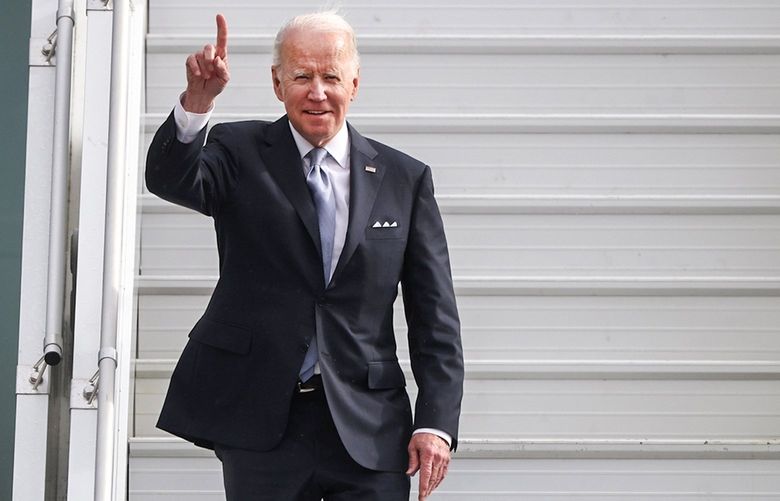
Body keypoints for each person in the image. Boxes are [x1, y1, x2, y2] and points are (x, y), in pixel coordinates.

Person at [145, 11, 463, 501]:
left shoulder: (405, 180)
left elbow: (435, 319)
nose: (317, 91)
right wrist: (197, 103)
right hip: (261, 420)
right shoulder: (239, 150)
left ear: (354, 83)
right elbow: (170, 179)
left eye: (331, 76)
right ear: (277, 83)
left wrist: (436, 424)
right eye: (301, 76)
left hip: (369, 426)